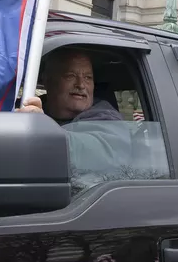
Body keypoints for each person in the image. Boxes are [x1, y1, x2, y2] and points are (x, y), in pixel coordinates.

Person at [18, 49, 130, 193]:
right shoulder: (24, 110)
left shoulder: (109, 119)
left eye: (88, 78)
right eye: (70, 76)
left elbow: (97, 152)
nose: (81, 85)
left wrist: (43, 131)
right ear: (47, 80)